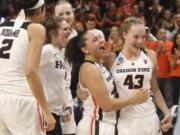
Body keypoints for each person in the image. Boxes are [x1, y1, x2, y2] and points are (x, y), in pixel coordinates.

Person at [65, 28, 149, 135]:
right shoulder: (89, 68)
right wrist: (133, 99)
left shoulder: (101, 64)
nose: (101, 41)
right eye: (95, 39)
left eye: (101, 37)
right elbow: (107, 105)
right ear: (85, 49)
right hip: (96, 125)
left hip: (108, 124)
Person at [0, 0, 56, 135]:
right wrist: (47, 112)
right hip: (23, 100)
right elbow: (31, 71)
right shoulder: (36, 29)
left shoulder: (2, 26)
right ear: (39, 10)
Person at [110, 17, 172, 135]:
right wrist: (80, 90)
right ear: (124, 34)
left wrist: (166, 112)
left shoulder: (150, 55)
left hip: (150, 117)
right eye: (136, 37)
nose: (140, 41)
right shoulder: (112, 57)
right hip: (126, 120)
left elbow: (155, 89)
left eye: (143, 37)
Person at [40, 16, 71, 135]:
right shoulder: (47, 50)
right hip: (44, 114)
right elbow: (28, 72)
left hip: (56, 115)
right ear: (53, 33)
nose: (69, 31)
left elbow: (58, 85)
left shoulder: (60, 53)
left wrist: (66, 107)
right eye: (65, 29)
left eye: (69, 29)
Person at [54, 1, 77, 134]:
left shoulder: (76, 35)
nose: (65, 17)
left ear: (73, 14)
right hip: (50, 92)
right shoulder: (46, 35)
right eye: (60, 14)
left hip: (66, 91)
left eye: (68, 13)